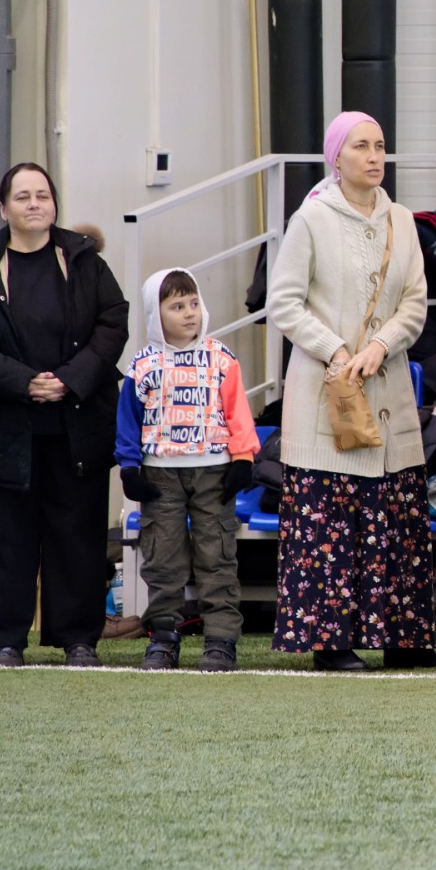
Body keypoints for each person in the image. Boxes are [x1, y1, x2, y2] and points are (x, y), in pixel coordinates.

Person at [266, 111, 436, 671]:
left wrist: (382, 345)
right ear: (336, 157)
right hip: (330, 389)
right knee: (329, 518)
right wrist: (338, 350)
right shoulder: (311, 219)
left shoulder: (401, 219)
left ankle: (404, 641)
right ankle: (331, 644)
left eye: (380, 146)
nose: (374, 157)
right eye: (361, 147)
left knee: (396, 519)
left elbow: (415, 302)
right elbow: (283, 304)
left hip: (387, 385)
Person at [0, 163, 129, 667]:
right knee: (3, 538)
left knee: (78, 536)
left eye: (42, 195)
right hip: (0, 428)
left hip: (76, 425)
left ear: (54, 204)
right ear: (4, 209)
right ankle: (6, 639)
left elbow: (113, 322)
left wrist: (70, 378)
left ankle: (78, 639)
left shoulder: (84, 261)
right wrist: (22, 381)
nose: (34, 204)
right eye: (22, 197)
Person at [115, 268, 261, 672]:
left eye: (194, 303)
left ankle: (221, 641)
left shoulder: (221, 358)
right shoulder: (142, 365)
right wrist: (129, 466)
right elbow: (127, 420)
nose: (189, 313)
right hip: (159, 476)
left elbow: (238, 412)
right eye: (177, 306)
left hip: (214, 472)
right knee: (162, 557)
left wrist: (243, 459)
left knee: (217, 555)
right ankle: (163, 638)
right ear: (155, 314)